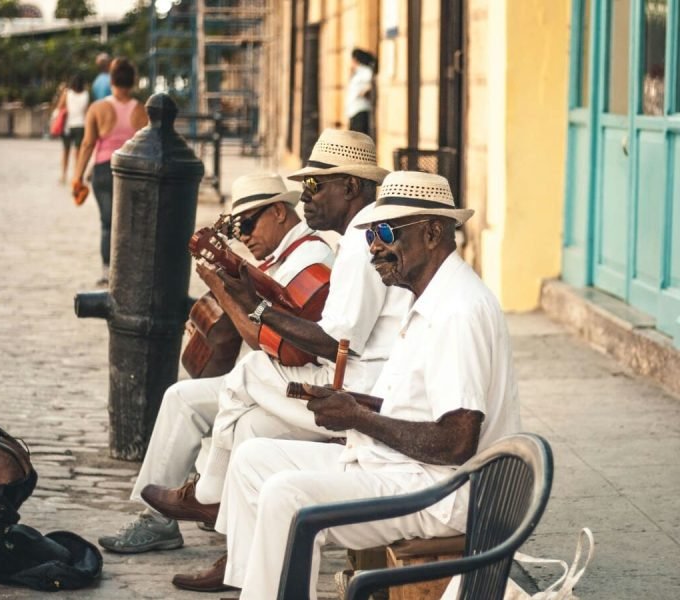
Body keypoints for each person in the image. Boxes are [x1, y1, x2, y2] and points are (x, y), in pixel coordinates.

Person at [183, 170, 522, 598]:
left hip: (442, 490)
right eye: (369, 236)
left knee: (288, 494)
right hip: (405, 468)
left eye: (385, 232)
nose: (375, 246)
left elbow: (457, 441)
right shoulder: (429, 297)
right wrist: (352, 405)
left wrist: (358, 418)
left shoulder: (457, 311)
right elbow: (418, 408)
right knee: (253, 459)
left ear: (433, 232)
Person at [141, 129, 413, 592]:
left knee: (248, 371)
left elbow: (334, 343)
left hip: (361, 392)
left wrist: (259, 308)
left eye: (315, 186)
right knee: (250, 433)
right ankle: (240, 571)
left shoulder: (364, 241)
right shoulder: (356, 239)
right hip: (360, 377)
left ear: (350, 187)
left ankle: (207, 494)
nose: (308, 198)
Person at [97, 173, 335, 554]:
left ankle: (203, 504)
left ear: (278, 212)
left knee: (198, 404)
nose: (243, 236)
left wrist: (225, 291)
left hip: (293, 381)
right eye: (236, 228)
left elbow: (273, 343)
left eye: (247, 224)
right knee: (182, 398)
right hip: (268, 377)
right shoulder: (280, 258)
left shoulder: (310, 258)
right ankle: (167, 514)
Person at [73, 58, 148, 285]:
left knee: (108, 222)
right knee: (132, 222)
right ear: (133, 81)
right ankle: (130, 269)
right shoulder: (142, 111)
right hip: (133, 170)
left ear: (111, 80)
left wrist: (77, 176)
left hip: (104, 169)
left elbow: (87, 144)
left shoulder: (97, 109)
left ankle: (107, 272)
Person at [56, 74, 89, 184]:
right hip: (81, 125)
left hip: (68, 126)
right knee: (78, 152)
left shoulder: (67, 93)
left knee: (66, 151)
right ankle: (76, 175)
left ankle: (64, 175)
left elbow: (60, 106)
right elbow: (86, 111)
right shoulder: (85, 94)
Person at [346, 48, 375, 135]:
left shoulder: (365, 71)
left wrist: (363, 92)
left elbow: (370, 84)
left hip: (361, 108)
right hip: (353, 110)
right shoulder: (356, 72)